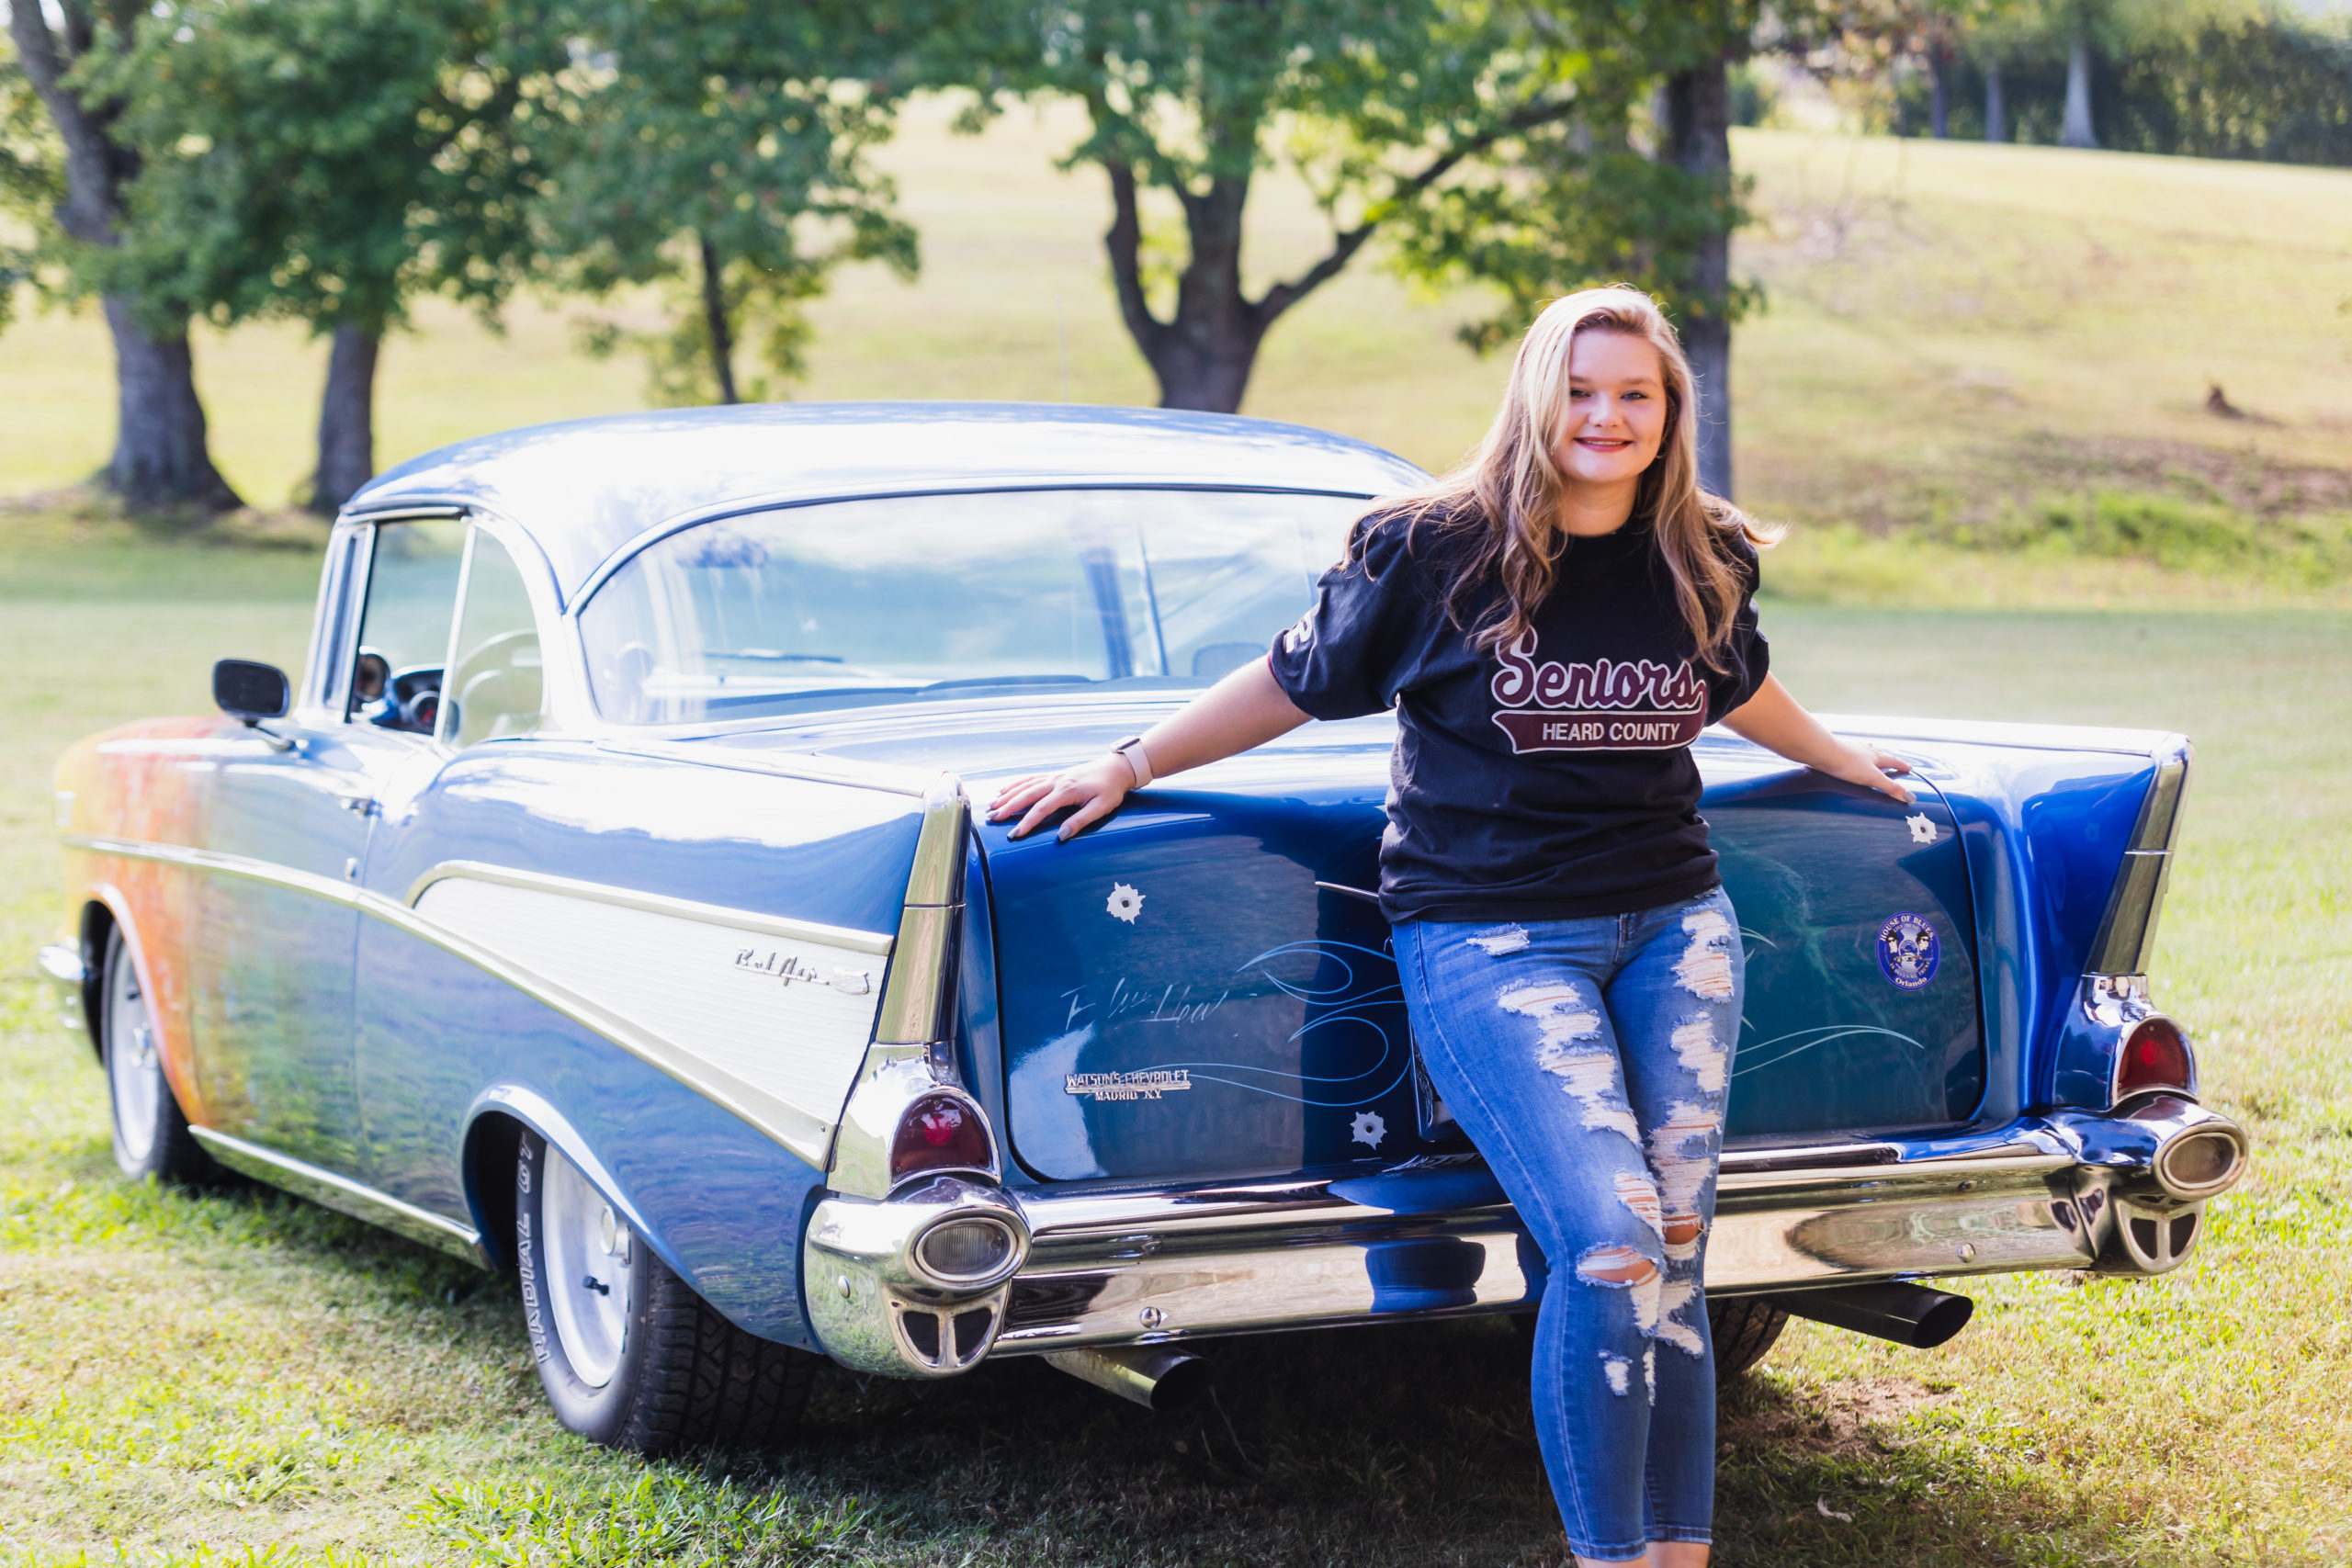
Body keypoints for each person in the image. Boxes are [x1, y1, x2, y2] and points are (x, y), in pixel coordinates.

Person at [989, 285, 1915, 1566]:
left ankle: (1679, 1554)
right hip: (1491, 936)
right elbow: (1296, 682)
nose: (1606, 416)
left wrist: (1842, 755)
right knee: (1611, 1242)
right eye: (1580, 391)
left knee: (1683, 1259)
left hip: (1673, 928)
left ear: (1669, 411)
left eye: (1634, 395)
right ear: (1537, 397)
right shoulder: (1430, 548)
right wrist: (1133, 763)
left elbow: (1738, 681)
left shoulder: (1703, 550)